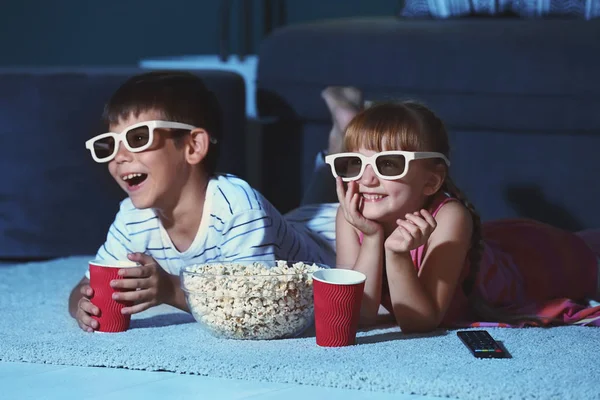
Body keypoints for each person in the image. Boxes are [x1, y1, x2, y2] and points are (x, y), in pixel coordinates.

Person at [68, 71, 337, 333]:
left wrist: (171, 290)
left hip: (332, 239)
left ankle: (342, 134)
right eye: (109, 145)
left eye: (137, 138)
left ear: (193, 147)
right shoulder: (130, 219)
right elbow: (85, 285)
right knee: (308, 208)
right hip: (292, 225)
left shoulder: (238, 208)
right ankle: (335, 145)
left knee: (333, 199)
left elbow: (250, 309)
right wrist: (82, 304)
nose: (119, 156)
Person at [322, 90, 600, 332]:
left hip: (531, 265)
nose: (367, 180)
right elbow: (358, 315)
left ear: (431, 181)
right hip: (495, 242)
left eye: (390, 165)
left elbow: (419, 322)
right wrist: (372, 240)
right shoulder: (351, 218)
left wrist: (397, 255)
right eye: (354, 164)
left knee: (585, 255)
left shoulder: (449, 217)